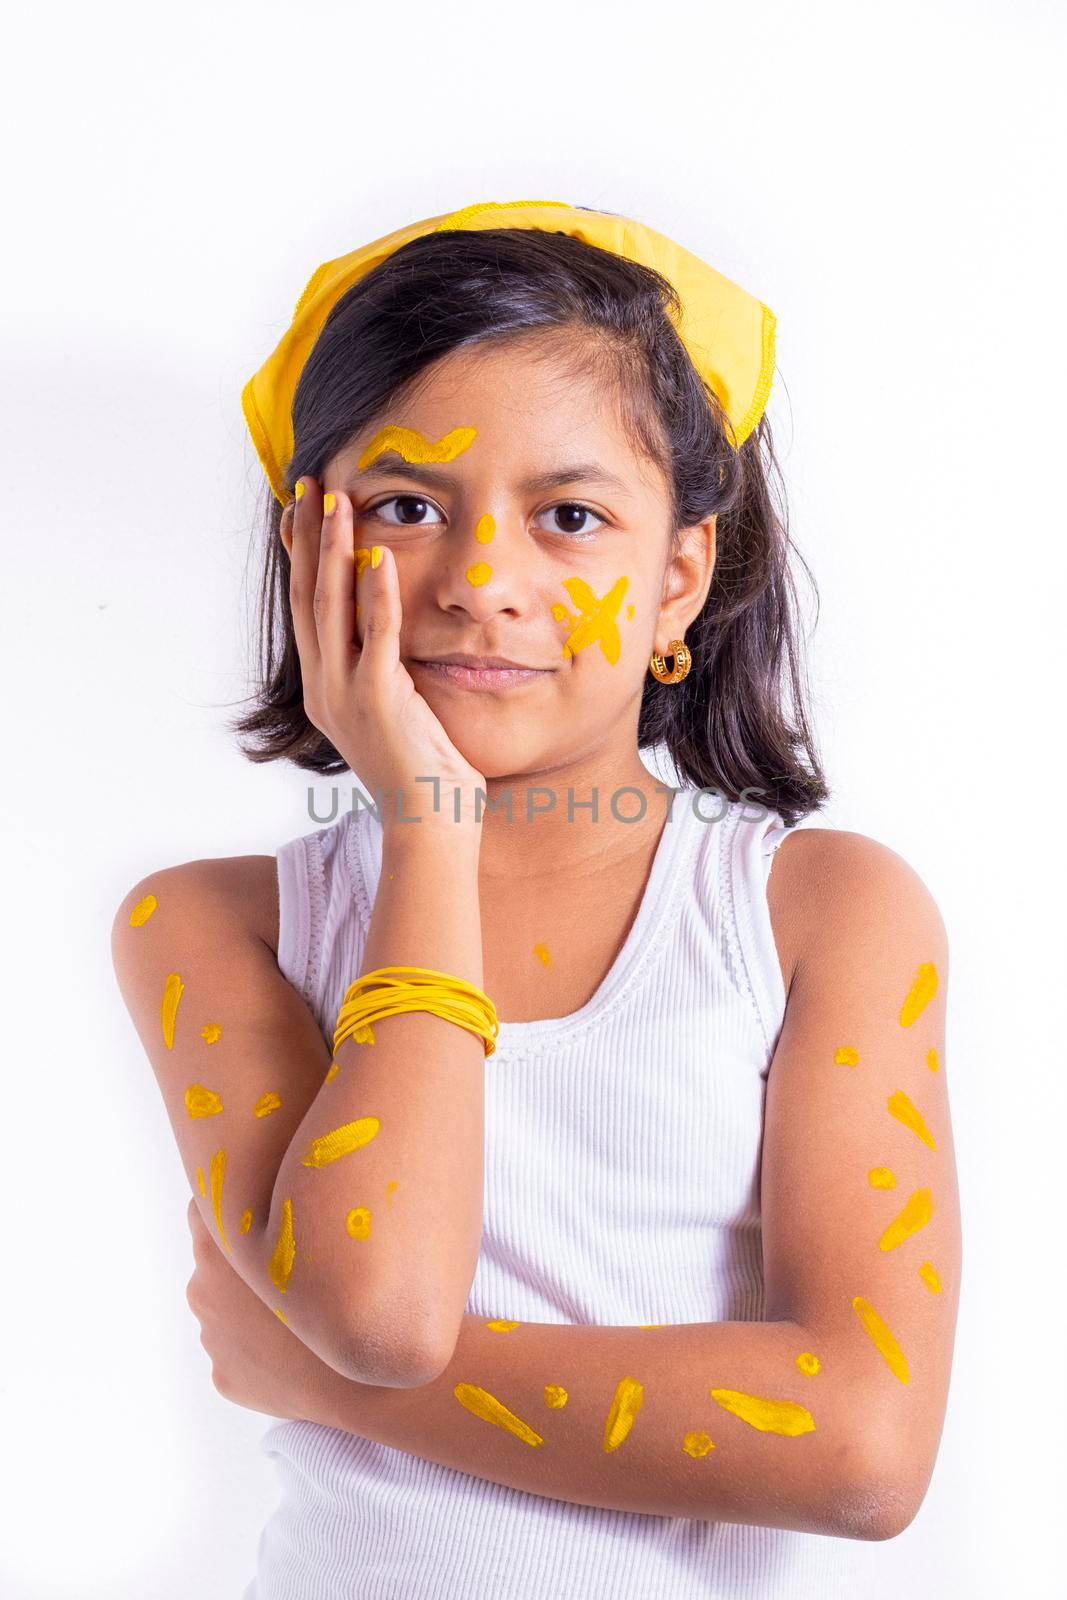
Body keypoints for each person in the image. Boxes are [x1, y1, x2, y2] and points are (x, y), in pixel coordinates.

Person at [111, 199, 961, 1598]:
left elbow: (864, 1451)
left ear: (678, 577)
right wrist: (427, 828)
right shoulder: (215, 928)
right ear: (309, 547)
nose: (482, 582)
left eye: (569, 517)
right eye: (405, 508)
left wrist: (321, 1383)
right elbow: (380, 1311)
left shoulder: (823, 913)